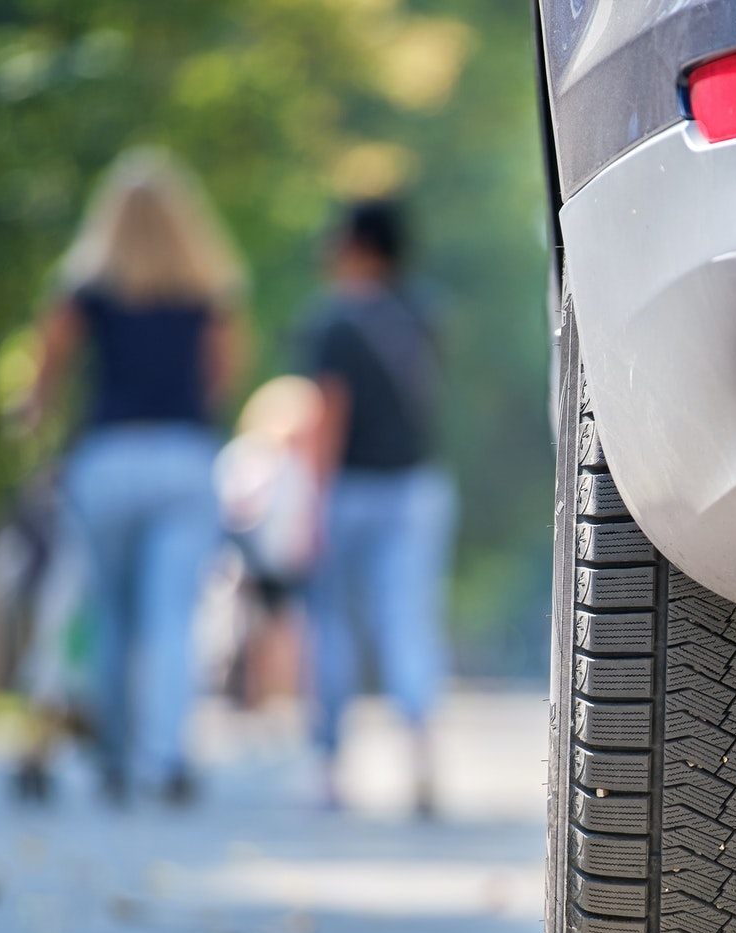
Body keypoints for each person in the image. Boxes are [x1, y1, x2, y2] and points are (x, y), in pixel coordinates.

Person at [25, 147, 246, 804]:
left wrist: (39, 419)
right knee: (172, 617)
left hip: (107, 460)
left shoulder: (89, 289)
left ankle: (114, 759)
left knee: (111, 614)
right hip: (182, 457)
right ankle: (168, 756)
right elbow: (223, 373)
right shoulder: (209, 290)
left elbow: (45, 368)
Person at [299, 200, 456, 815]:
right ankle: (420, 754)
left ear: (359, 247)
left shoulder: (333, 320)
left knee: (332, 625)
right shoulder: (423, 312)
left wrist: (310, 503)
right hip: (418, 487)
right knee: (407, 620)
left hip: (350, 489)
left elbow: (327, 416)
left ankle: (330, 770)